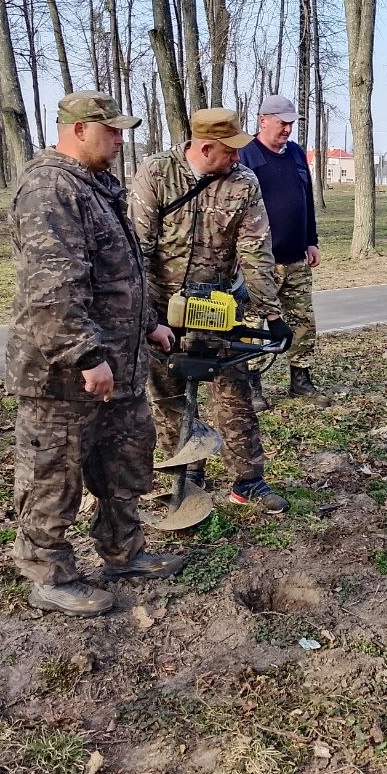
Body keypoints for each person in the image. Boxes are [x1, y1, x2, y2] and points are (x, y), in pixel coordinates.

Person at [6, 91, 185, 618]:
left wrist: (149, 324)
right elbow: (51, 288)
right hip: (63, 375)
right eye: (111, 130)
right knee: (53, 474)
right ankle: (49, 574)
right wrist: (84, 356)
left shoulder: (97, 187)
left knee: (123, 463)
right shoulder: (49, 190)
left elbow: (118, 272)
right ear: (79, 129)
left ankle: (123, 551)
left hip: (118, 365)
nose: (120, 139)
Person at [129, 106, 294, 514]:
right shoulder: (156, 174)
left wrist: (271, 313)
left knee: (234, 394)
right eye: (229, 151)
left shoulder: (243, 182)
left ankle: (248, 481)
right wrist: (148, 320)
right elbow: (137, 252)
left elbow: (255, 250)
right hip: (164, 307)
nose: (238, 157)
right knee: (169, 398)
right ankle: (188, 476)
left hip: (220, 305)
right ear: (205, 147)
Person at [237, 94, 331, 410]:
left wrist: (311, 240)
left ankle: (300, 380)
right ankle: (252, 386)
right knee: (253, 324)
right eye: (282, 123)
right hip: (258, 263)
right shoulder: (245, 155)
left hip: (296, 258)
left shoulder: (295, 154)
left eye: (291, 124)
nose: (287, 129)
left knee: (304, 320)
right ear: (263, 120)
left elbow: (306, 198)